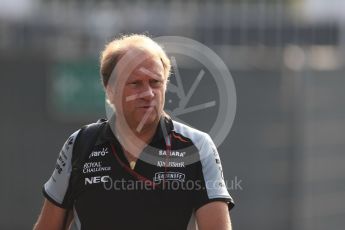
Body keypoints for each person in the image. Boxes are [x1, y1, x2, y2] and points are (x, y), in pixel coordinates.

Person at [34, 34, 234, 230]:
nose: (148, 94)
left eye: (155, 82)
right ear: (110, 89)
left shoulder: (197, 146)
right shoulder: (80, 144)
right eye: (135, 83)